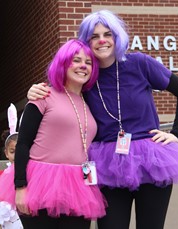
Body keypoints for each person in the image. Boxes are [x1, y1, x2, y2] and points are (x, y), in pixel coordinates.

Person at [27, 10, 178, 229]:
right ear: (87, 41)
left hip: (151, 160)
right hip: (106, 164)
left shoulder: (140, 63)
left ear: (117, 37)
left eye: (108, 34)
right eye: (94, 36)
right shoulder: (86, 75)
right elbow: (62, 90)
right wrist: (37, 90)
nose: (102, 40)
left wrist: (176, 132)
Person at [0, 39, 107, 229]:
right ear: (63, 63)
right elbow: (23, 143)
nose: (83, 66)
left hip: (78, 186)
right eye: (76, 60)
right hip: (40, 184)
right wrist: (20, 187)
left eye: (88, 62)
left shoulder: (88, 103)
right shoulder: (43, 95)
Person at [0, 105, 23, 229]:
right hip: (8, 217)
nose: (17, 156)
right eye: (13, 151)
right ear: (6, 153)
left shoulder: (30, 171)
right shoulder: (3, 175)